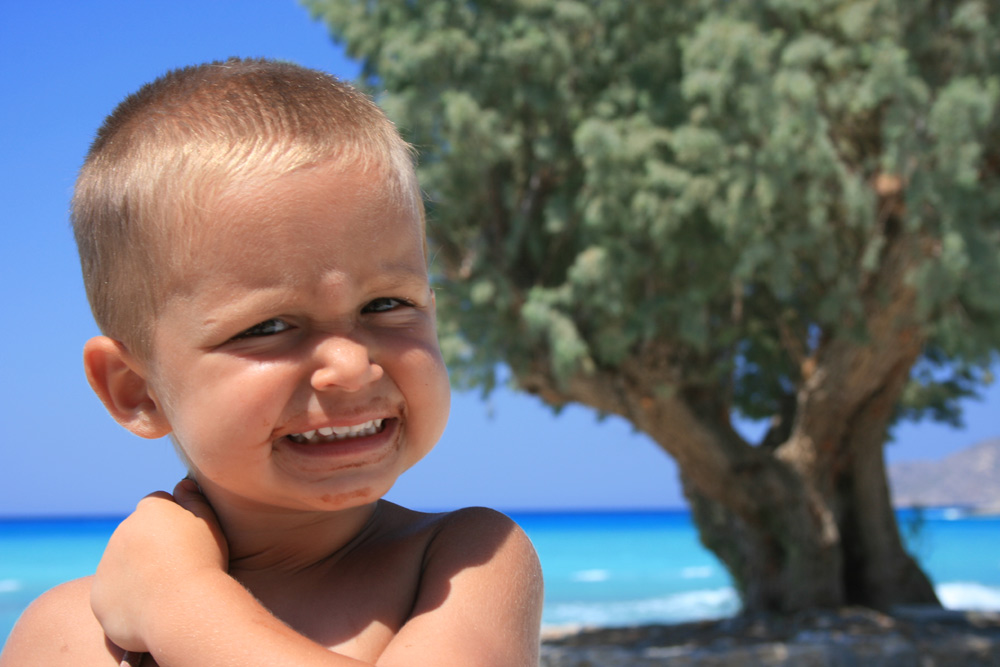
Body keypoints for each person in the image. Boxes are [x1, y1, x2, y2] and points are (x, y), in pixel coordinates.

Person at [0, 58, 543, 666]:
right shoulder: (69, 634)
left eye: (386, 304)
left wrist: (181, 602)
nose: (349, 364)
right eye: (269, 327)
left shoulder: (465, 561)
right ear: (137, 390)